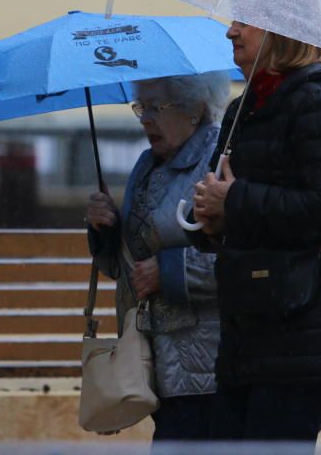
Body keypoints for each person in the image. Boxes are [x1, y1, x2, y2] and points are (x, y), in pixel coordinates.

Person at [191, 21, 321, 443]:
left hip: (305, 329)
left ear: (283, 31)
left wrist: (235, 200)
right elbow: (238, 207)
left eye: (245, 23)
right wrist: (211, 222)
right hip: (251, 327)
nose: (230, 32)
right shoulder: (244, 107)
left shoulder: (320, 101)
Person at [86, 72, 229, 442]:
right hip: (158, 361)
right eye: (140, 107)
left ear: (196, 110)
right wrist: (106, 232)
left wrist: (169, 272)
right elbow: (126, 269)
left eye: (157, 107)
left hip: (209, 364)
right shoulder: (146, 166)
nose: (145, 118)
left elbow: (246, 260)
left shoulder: (220, 164)